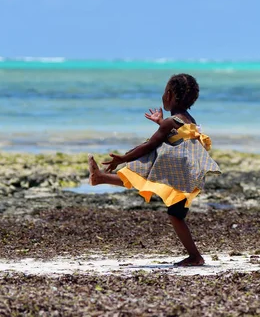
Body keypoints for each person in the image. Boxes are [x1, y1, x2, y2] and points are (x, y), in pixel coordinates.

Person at [87, 73, 221, 266]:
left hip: (182, 178)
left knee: (175, 215)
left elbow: (150, 144)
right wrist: (161, 123)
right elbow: (176, 134)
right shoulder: (187, 119)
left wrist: (124, 158)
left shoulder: (170, 122)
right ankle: (100, 178)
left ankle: (195, 256)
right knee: (146, 173)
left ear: (169, 94)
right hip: (188, 175)